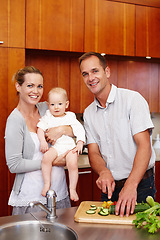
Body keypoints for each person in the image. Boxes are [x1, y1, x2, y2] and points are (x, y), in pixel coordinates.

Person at [79, 52, 156, 217]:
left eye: (95, 71)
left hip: (140, 185)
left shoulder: (132, 100)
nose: (90, 77)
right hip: (110, 188)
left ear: (107, 72)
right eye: (85, 74)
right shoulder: (88, 113)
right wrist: (103, 171)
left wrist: (131, 185)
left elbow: (145, 146)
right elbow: (93, 152)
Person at [5, 66, 74, 215]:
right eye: (30, 85)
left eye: (39, 86)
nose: (35, 91)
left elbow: (76, 128)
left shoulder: (47, 109)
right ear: (18, 86)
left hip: (58, 192)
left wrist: (61, 130)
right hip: (32, 196)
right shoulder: (15, 120)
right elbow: (14, 165)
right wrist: (51, 161)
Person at [37, 87, 85, 200]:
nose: (56, 107)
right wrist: (43, 141)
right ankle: (47, 184)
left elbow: (79, 129)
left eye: (60, 103)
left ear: (66, 104)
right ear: (48, 105)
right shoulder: (48, 116)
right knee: (46, 159)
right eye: (53, 104)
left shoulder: (70, 116)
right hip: (56, 147)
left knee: (72, 164)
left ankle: (72, 189)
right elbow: (40, 129)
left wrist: (80, 143)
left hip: (69, 147)